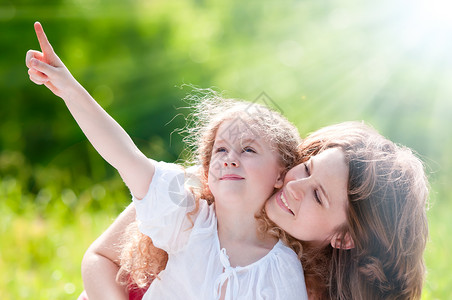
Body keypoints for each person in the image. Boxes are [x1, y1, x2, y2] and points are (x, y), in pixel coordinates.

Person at [26, 21, 308, 300]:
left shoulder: (282, 268)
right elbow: (125, 155)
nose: (230, 159)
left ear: (280, 175)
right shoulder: (187, 220)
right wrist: (69, 88)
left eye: (248, 150)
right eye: (221, 150)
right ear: (207, 170)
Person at [79, 121, 429, 300]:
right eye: (306, 169)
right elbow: (99, 258)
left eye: (318, 196)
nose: (294, 188)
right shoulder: (212, 192)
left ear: (344, 237)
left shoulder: (306, 289)